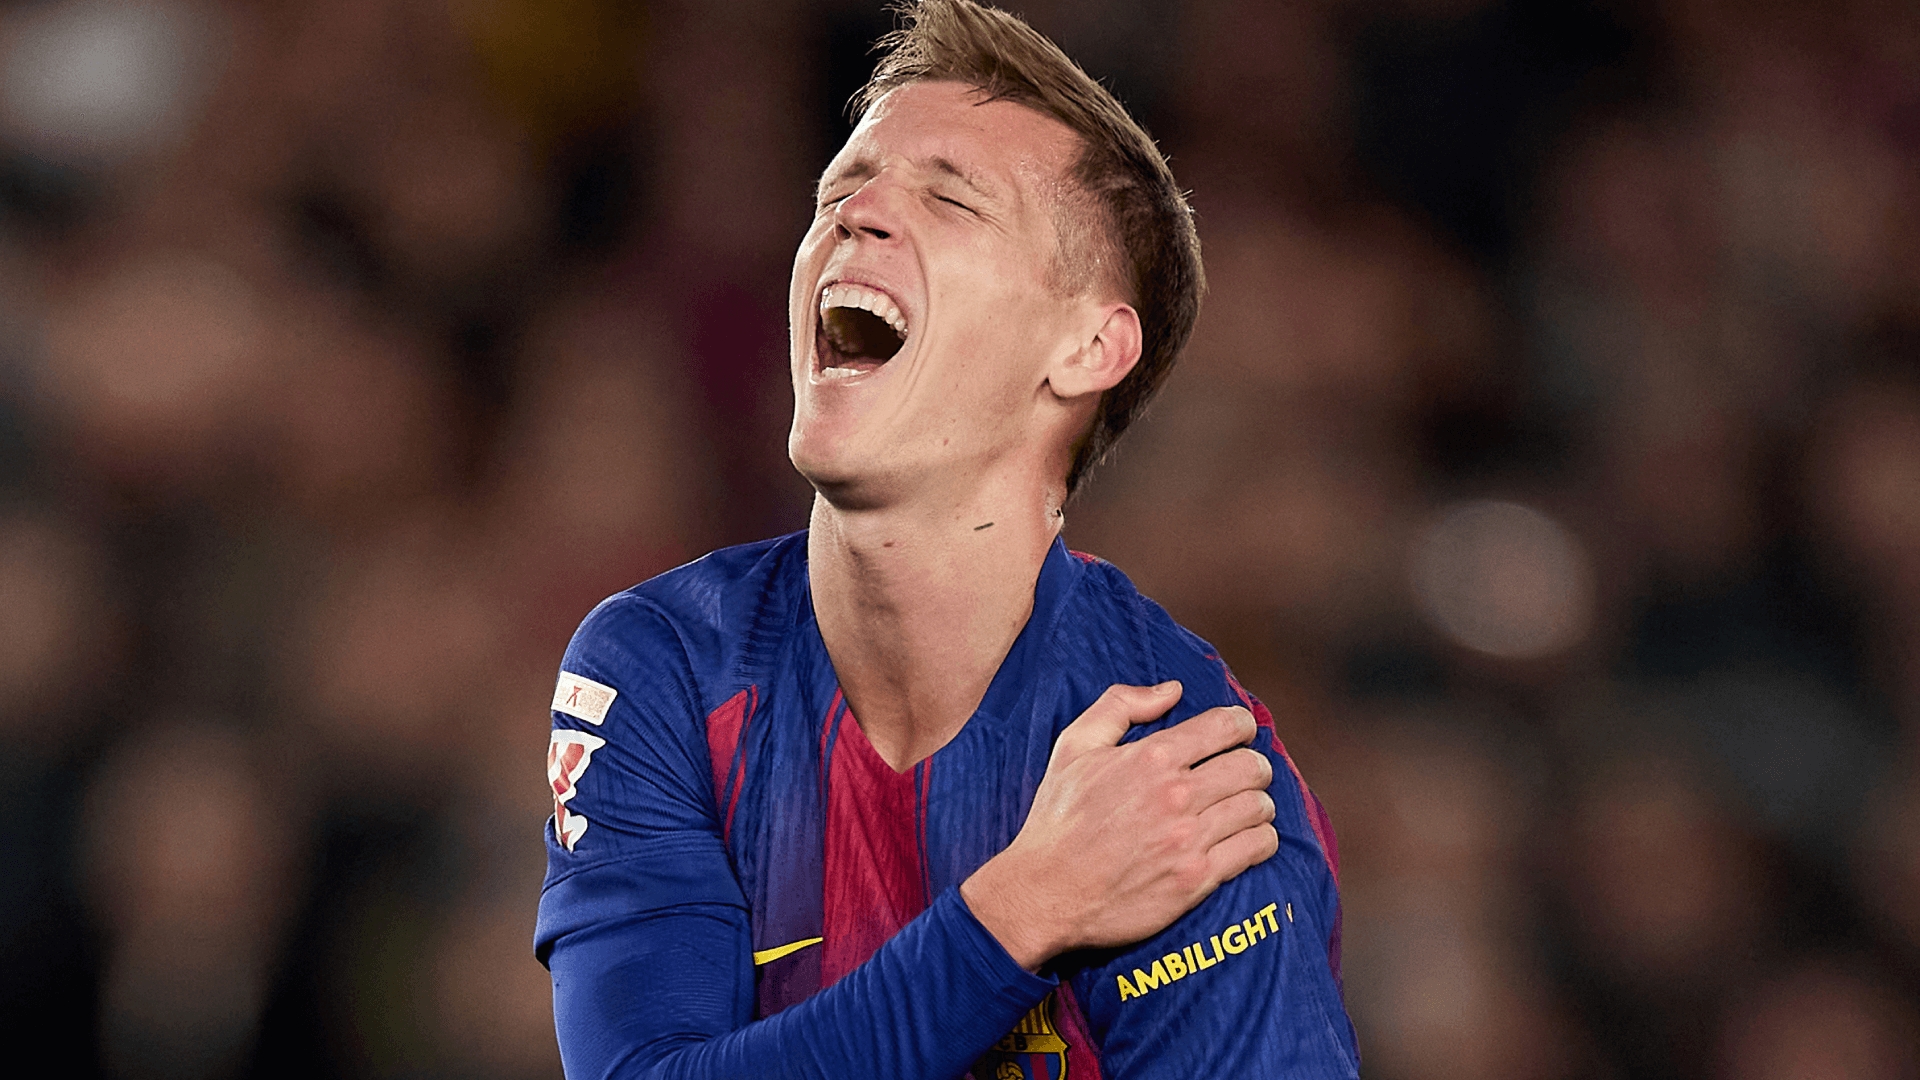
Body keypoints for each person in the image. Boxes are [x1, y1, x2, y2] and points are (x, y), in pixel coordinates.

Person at [535, 3, 1359, 1076]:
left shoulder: (1178, 778)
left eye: (950, 198)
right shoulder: (665, 666)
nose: (856, 213)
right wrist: (1023, 910)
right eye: (840, 188)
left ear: (1087, 347)